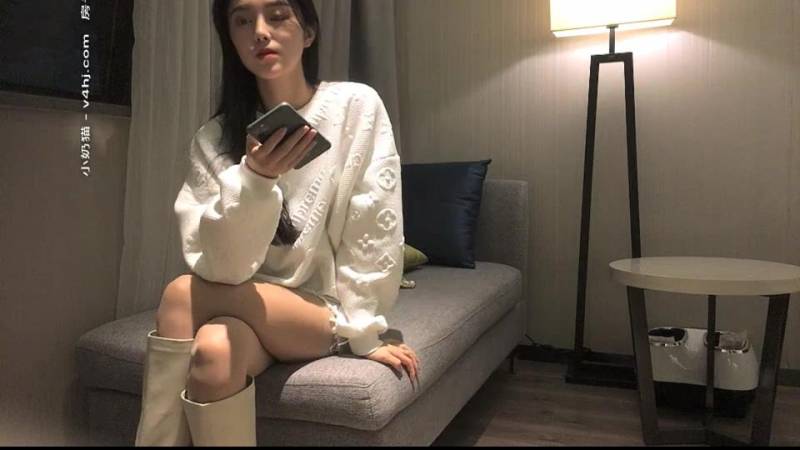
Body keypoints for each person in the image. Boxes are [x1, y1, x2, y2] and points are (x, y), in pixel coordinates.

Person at [134, 0, 420, 446]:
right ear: (230, 39)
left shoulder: (355, 106)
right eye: (242, 20)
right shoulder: (214, 139)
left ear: (308, 31)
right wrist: (255, 179)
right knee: (213, 354)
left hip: (318, 313)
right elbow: (221, 269)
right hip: (240, 305)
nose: (260, 31)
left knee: (179, 294)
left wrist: (366, 333)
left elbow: (372, 225)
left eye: (278, 15)